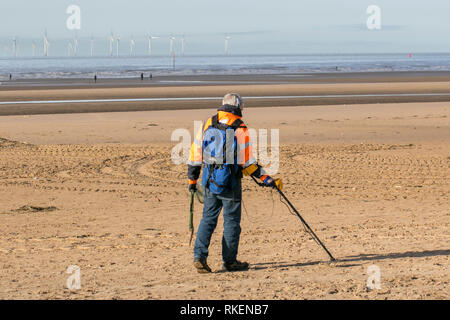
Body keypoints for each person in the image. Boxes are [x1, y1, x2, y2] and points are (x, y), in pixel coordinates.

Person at [187, 93, 282, 273]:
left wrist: (192, 180)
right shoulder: (240, 127)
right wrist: (266, 178)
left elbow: (195, 153)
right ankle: (229, 262)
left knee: (207, 219)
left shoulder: (208, 122)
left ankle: (199, 256)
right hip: (229, 183)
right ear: (238, 106)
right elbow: (248, 162)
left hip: (209, 179)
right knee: (231, 222)